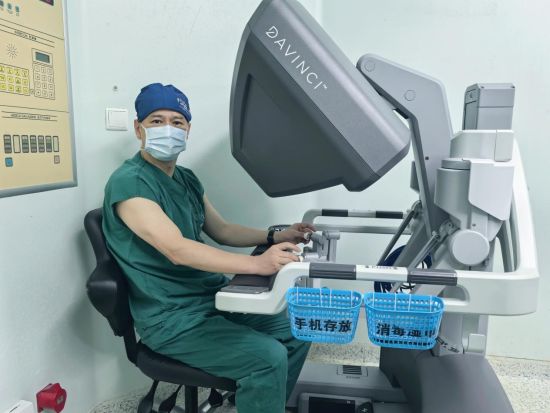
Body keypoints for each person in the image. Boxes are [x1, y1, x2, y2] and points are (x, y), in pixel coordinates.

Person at [102, 83, 314, 413]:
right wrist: (258, 265)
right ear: (138, 129)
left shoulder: (186, 179)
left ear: (187, 130)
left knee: (299, 328)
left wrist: (275, 235)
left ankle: (255, 402)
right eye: (156, 121)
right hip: (171, 317)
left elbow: (223, 230)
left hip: (212, 299)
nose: (168, 129)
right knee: (268, 357)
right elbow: (177, 249)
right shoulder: (129, 182)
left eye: (177, 121)